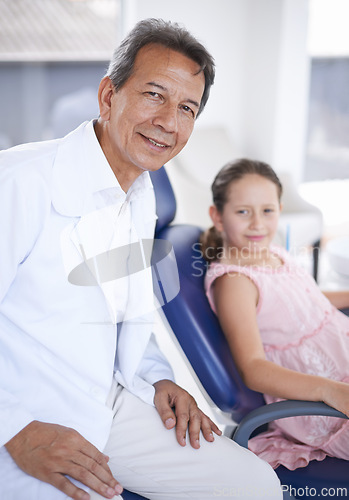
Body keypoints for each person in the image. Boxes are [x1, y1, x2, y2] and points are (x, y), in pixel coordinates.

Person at [0, 19, 282, 500]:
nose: (169, 122)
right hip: (25, 412)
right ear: (109, 95)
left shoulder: (141, 194)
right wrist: (14, 428)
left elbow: (124, 316)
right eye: (154, 94)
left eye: (187, 107)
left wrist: (158, 377)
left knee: (256, 486)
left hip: (105, 403)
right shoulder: (19, 183)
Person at [202, 158, 349, 471]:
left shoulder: (275, 253)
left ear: (280, 209)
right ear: (217, 216)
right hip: (325, 401)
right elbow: (253, 368)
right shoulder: (236, 281)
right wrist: (331, 391)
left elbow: (308, 304)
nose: (258, 223)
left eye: (267, 211)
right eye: (243, 212)